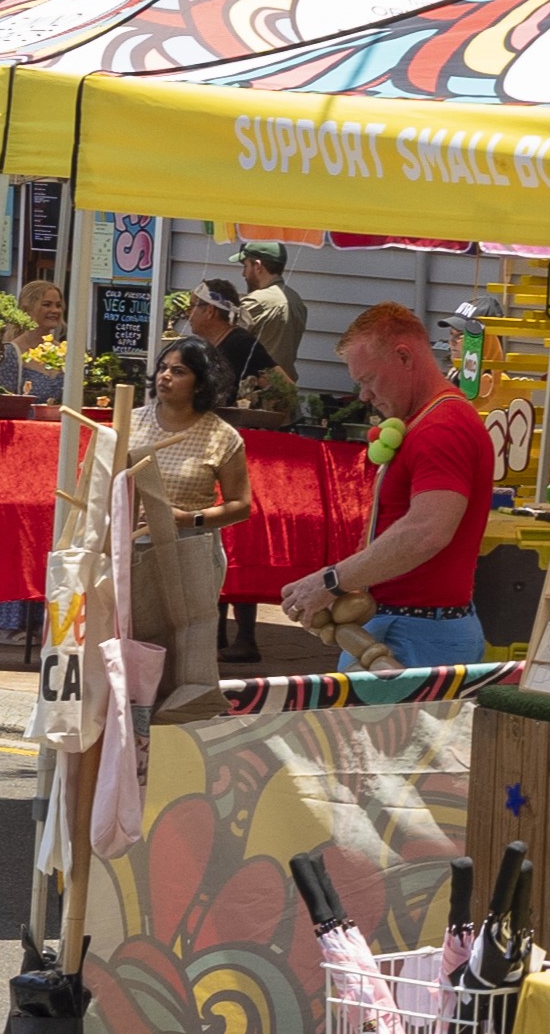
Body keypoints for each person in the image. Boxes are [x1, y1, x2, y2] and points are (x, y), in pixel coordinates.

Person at [279, 303, 493, 667]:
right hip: (410, 628)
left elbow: (428, 530)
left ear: (404, 357)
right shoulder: (429, 420)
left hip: (416, 635)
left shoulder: (442, 427)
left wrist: (332, 581)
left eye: (368, 380)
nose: (363, 395)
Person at [132, 338, 251, 711]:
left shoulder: (222, 437)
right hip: (133, 552)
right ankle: (133, 728)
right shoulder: (132, 422)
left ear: (200, 383)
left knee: (187, 647)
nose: (165, 376)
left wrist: (188, 518)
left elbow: (241, 506)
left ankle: (182, 728)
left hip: (191, 552)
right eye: (163, 367)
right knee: (135, 645)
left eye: (178, 371)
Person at [234, 242, 308, 378]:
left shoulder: (256, 301)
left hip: (255, 390)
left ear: (258, 266)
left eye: (246, 266)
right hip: (285, 388)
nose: (243, 274)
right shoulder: (295, 299)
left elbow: (226, 341)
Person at [0, 278, 69, 401]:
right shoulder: (10, 354)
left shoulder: (64, 352)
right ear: (27, 308)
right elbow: (1, 404)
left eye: (58, 305)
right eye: (47, 304)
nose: (55, 310)